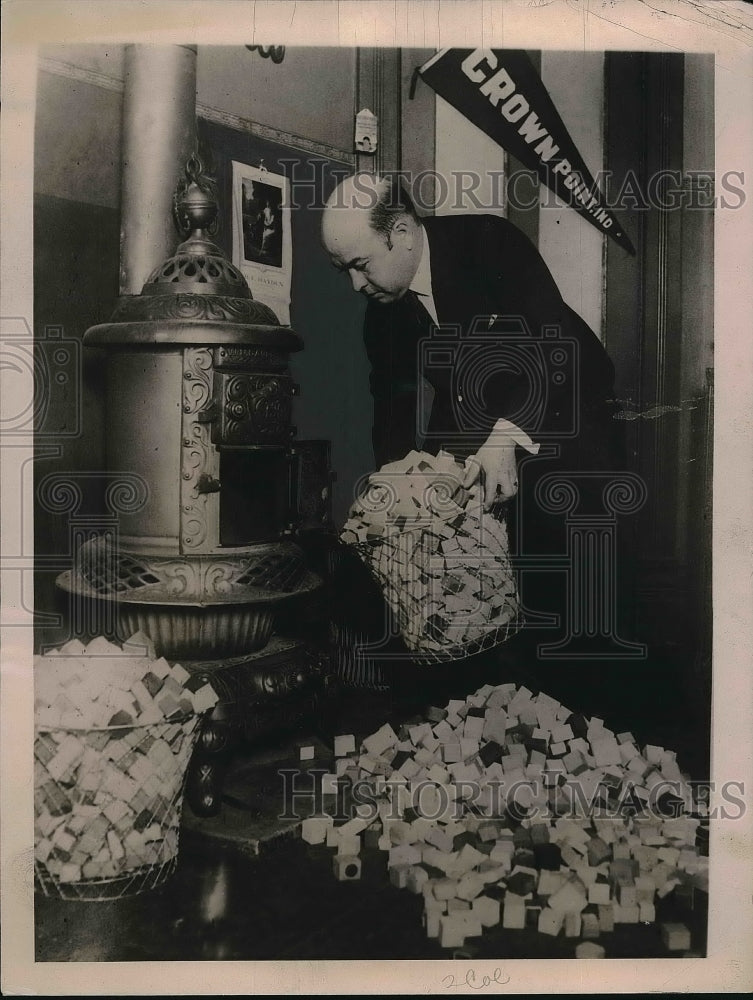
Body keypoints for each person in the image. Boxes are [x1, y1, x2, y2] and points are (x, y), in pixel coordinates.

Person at [321, 172, 624, 709]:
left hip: (568, 421)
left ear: (403, 232)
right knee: (480, 611)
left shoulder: (489, 242)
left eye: (361, 265)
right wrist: (398, 491)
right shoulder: (382, 315)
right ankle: (491, 740)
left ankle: (584, 746)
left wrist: (505, 438)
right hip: (482, 433)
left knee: (567, 619)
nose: (354, 285)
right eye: (342, 270)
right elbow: (391, 416)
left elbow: (560, 351)